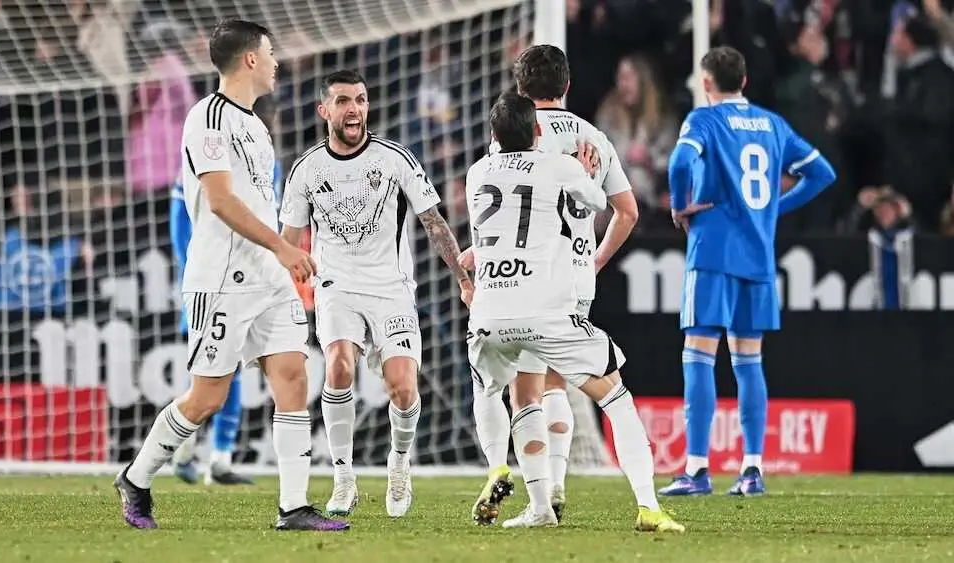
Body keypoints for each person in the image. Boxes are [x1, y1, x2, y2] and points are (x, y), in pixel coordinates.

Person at [113, 19, 348, 532]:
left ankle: (293, 507)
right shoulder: (207, 119)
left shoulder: (257, 126)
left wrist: (288, 250)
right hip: (221, 279)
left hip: (268, 275)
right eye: (270, 53)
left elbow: (262, 204)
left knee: (291, 376)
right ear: (249, 60)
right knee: (206, 398)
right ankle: (137, 477)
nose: (276, 62)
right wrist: (284, 247)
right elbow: (219, 201)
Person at [464, 90, 684, 532]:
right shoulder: (560, 164)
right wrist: (583, 174)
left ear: (493, 135)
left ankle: (515, 483)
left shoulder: (475, 173)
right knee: (616, 397)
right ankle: (647, 507)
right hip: (546, 308)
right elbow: (602, 204)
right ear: (538, 132)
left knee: (496, 392)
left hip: (489, 311)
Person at [279, 69, 472, 518]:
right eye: (344, 101)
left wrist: (464, 281)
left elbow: (433, 223)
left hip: (391, 287)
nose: (355, 110)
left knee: (403, 388)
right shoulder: (307, 169)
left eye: (361, 100)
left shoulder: (395, 159)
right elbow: (287, 239)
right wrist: (283, 283)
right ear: (324, 110)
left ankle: (399, 464)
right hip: (336, 285)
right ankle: (343, 475)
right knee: (339, 364)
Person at [660, 46, 836, 497]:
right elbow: (822, 174)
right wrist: (774, 208)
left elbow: (680, 163)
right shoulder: (773, 124)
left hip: (713, 249)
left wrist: (680, 206)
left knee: (699, 352)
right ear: (745, 80)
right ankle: (752, 469)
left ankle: (697, 470)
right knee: (748, 359)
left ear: (706, 82)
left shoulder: (704, 120)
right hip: (757, 255)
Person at [167, 95, 282, 487]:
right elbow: (181, 221)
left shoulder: (272, 165)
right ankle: (173, 453)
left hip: (254, 281)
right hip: (212, 280)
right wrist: (194, 269)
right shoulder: (210, 157)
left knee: (237, 370)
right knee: (211, 374)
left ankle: (218, 458)